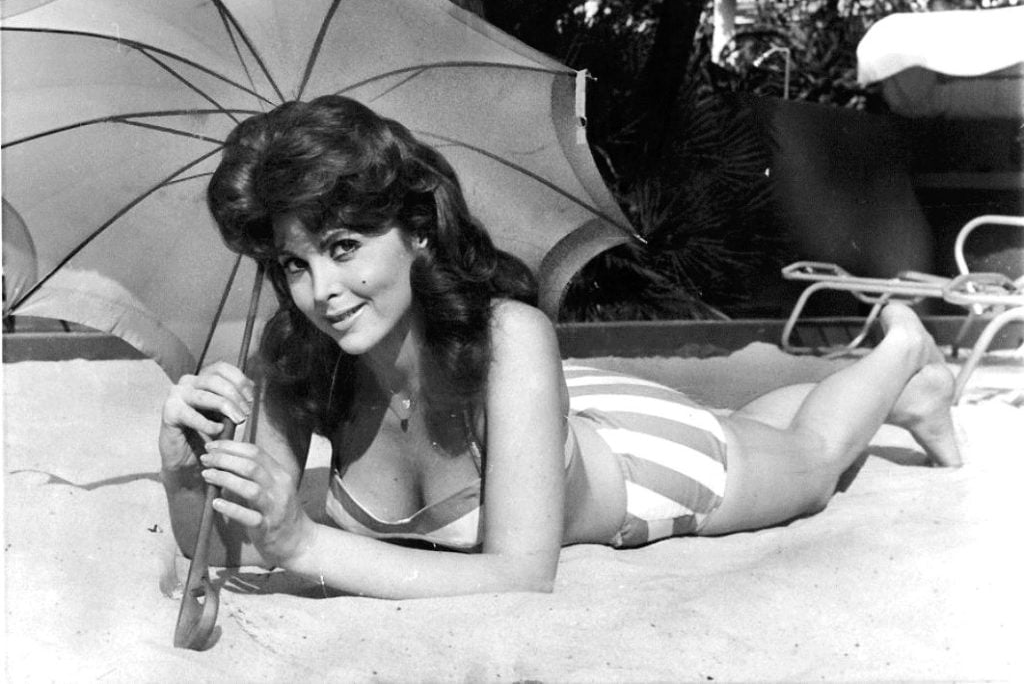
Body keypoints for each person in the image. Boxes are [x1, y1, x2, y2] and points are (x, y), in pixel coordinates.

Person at [160, 95, 962, 600]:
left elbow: (521, 575)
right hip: (547, 421)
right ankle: (900, 384)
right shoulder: (299, 355)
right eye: (294, 263)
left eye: (343, 247)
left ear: (417, 232)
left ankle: (902, 354)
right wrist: (183, 469)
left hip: (644, 463)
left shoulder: (511, 336)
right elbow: (227, 545)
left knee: (809, 458)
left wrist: (304, 542)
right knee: (753, 417)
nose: (321, 290)